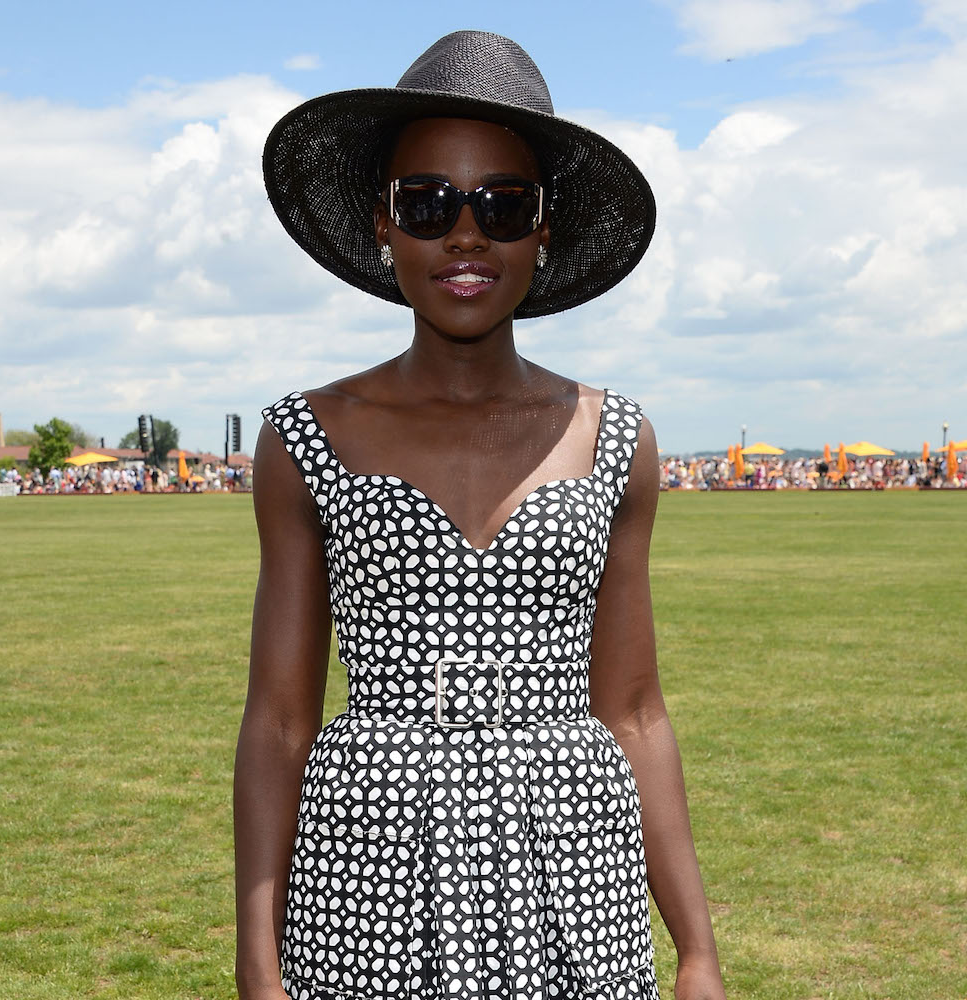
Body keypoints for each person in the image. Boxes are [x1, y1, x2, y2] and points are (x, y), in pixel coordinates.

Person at [235, 30, 726, 1000]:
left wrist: (697, 952)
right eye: (428, 203)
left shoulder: (616, 438)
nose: (465, 236)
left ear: (544, 229)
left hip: (576, 875)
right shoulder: (305, 437)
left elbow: (633, 711)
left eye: (502, 206)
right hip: (363, 876)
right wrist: (258, 962)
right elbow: (281, 722)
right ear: (384, 223)